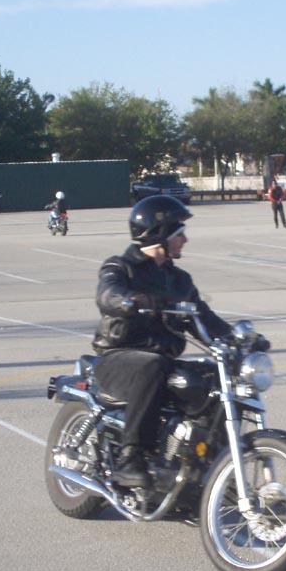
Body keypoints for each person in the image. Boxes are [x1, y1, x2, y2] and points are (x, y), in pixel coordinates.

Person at [91, 195, 234, 487]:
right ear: (160, 234)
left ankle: (205, 462)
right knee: (153, 365)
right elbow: (107, 295)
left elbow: (204, 318)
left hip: (162, 361)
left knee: (212, 377)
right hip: (119, 356)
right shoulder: (120, 267)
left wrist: (238, 339)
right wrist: (132, 300)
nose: (185, 240)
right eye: (179, 233)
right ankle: (131, 458)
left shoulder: (180, 281)